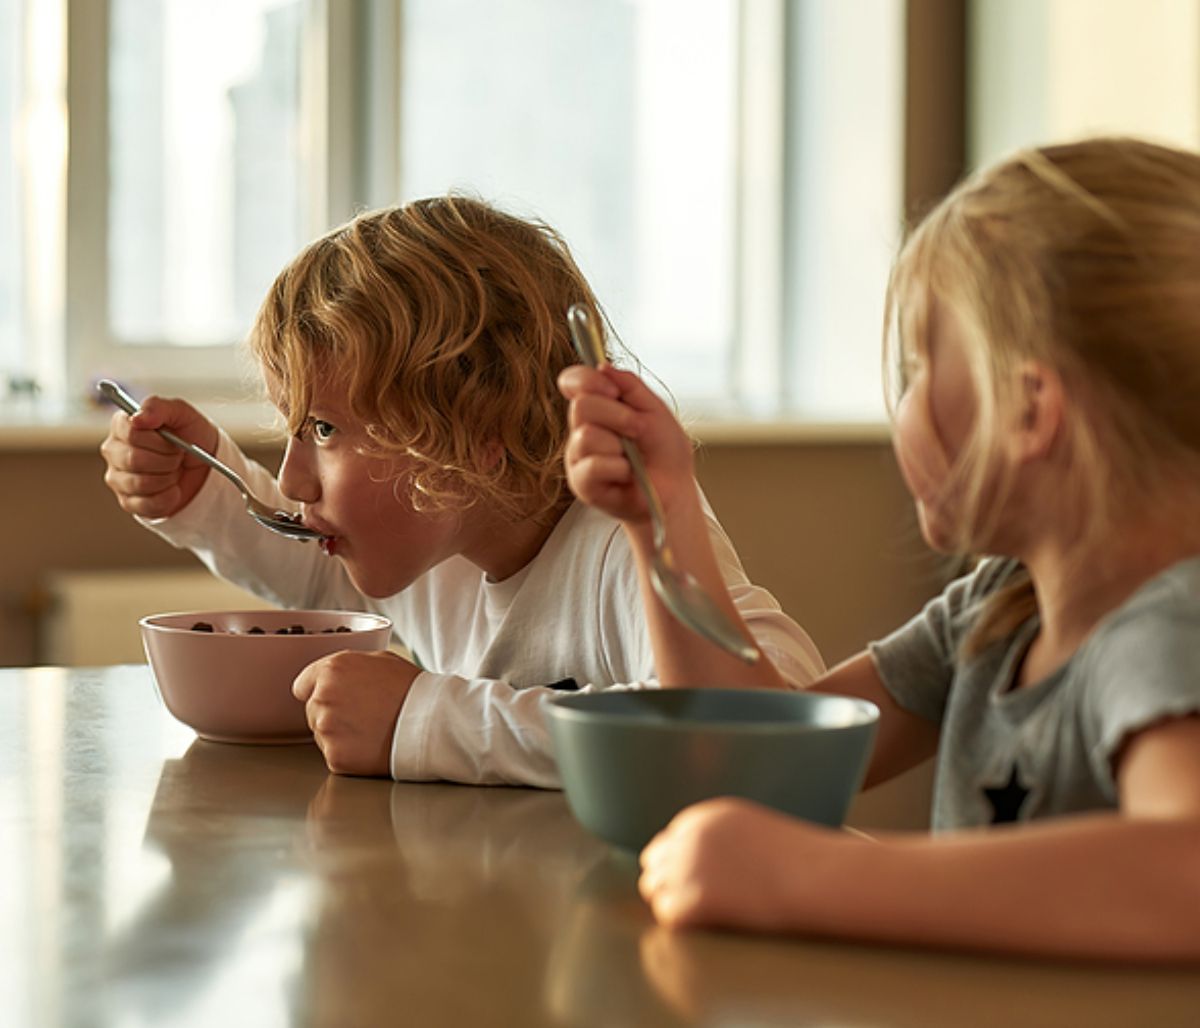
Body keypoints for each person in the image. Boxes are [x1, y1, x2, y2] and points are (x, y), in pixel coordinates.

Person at [558, 137, 1200, 962]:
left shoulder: (1166, 629)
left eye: (921, 361)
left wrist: (810, 877)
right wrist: (663, 518)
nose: (906, 394)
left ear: (1029, 409)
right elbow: (762, 763)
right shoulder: (1001, 610)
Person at [100, 195, 824, 787]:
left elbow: (777, 718)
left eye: (323, 429)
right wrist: (203, 495)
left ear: (475, 434)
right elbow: (320, 572)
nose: (292, 480)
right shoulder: (434, 540)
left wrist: (425, 718)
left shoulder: (624, 537)